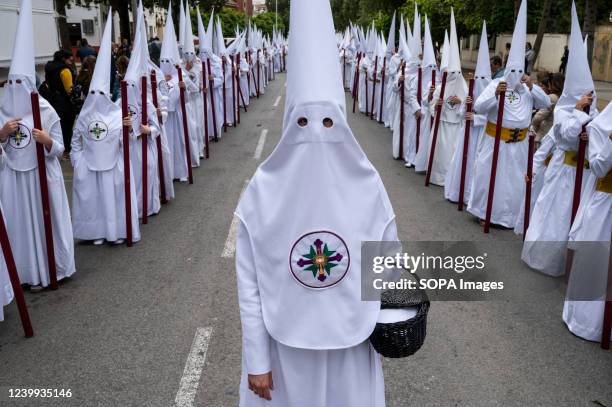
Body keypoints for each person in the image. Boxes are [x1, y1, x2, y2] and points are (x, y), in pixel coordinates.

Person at [236, 1, 396, 405]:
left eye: (328, 123)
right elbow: (249, 284)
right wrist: (256, 360)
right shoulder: (263, 189)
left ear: (342, 124)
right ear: (289, 124)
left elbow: (388, 262)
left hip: (351, 347)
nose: (316, 133)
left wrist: (389, 318)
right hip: (283, 351)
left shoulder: (367, 184)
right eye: (304, 122)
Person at [0, 0, 75, 291]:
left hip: (43, 176)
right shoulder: (4, 115)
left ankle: (54, 268)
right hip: (15, 183)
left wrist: (46, 141)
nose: (16, 88)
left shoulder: (46, 111)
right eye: (12, 83)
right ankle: (25, 273)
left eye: (22, 83)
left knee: (48, 224)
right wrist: (2, 135)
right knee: (21, 227)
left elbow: (60, 149)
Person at [521, 3, 598, 277]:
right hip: (564, 174)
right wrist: (578, 113)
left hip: (585, 175)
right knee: (555, 216)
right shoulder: (565, 111)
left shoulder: (597, 112)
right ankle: (545, 260)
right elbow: (563, 136)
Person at [468, 0, 550, 228]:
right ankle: (485, 212)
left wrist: (532, 86)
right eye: (512, 70)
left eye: (519, 71)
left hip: (520, 143)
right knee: (490, 178)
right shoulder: (496, 83)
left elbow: (546, 103)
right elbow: (479, 107)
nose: (515, 75)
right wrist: (496, 93)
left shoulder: (525, 88)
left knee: (513, 182)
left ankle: (510, 217)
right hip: (496, 141)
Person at [70, 9, 140, 246]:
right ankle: (95, 232)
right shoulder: (83, 117)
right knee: (94, 201)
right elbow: (76, 141)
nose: (98, 97)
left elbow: (127, 142)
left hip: (112, 165)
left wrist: (129, 129)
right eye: (94, 93)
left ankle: (115, 231)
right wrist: (78, 162)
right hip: (89, 166)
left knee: (112, 199)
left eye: (102, 93)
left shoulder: (116, 114)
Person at [562, 99, 611, 344]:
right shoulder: (600, 128)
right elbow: (600, 168)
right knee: (598, 261)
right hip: (606, 204)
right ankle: (589, 322)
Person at [444, 21, 491, 204]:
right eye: (476, 78)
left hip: (483, 135)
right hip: (467, 133)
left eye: (482, 78)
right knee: (462, 161)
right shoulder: (469, 90)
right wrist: (466, 105)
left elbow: (495, 117)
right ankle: (458, 192)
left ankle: (472, 197)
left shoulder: (492, 95)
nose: (478, 81)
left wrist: (477, 118)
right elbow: (462, 110)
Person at [425, 10, 466, 186]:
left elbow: (471, 106)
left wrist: (462, 102)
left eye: (457, 73)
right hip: (442, 125)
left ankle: (451, 180)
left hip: (456, 126)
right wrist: (437, 104)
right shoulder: (440, 87)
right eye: (452, 73)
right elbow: (431, 105)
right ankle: (437, 177)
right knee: (440, 152)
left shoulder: (464, 88)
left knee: (453, 152)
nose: (454, 76)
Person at [44, 49, 76, 154]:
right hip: (65, 104)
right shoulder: (65, 70)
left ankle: (57, 147)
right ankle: (66, 150)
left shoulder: (49, 68)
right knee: (67, 128)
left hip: (52, 101)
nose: (71, 61)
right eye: (70, 59)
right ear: (63, 59)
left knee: (57, 126)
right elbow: (69, 90)